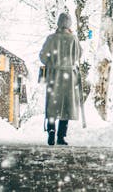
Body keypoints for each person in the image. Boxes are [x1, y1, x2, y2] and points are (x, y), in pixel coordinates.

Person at [39, 12, 81, 145]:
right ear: (69, 24)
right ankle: (61, 136)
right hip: (69, 76)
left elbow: (43, 56)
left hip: (54, 75)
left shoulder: (51, 38)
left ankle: (51, 132)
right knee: (66, 106)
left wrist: (52, 62)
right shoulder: (73, 39)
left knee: (53, 105)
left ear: (58, 23)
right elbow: (78, 54)